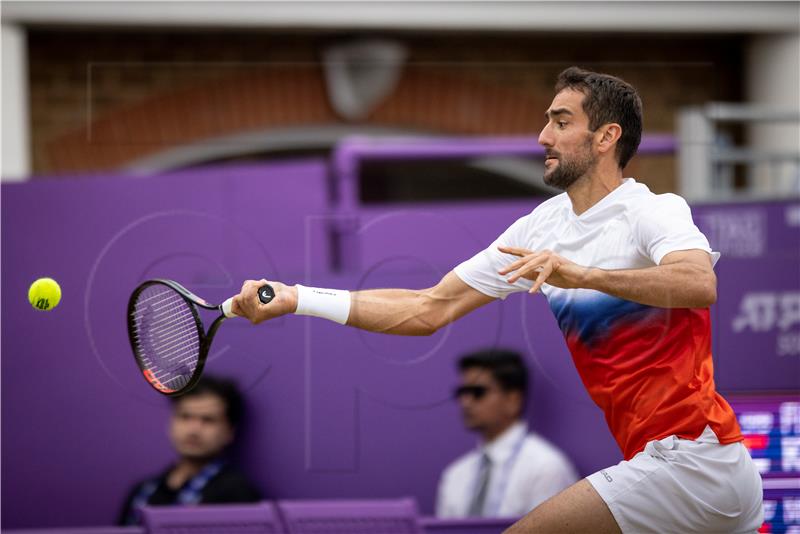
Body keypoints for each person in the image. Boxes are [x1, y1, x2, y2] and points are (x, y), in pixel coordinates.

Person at [231, 67, 763, 533]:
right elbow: (427, 308)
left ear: (606, 137)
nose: (541, 136)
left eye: (560, 122)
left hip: (695, 461)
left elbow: (698, 282)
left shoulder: (653, 210)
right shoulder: (539, 228)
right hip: (677, 473)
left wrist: (582, 274)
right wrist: (299, 298)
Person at [436, 349, 578, 518]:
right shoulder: (455, 475)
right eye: (462, 393)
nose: (465, 402)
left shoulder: (546, 468)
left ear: (513, 400)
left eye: (478, 392)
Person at [119, 376, 261, 525]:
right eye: (185, 417)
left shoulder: (238, 494)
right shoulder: (143, 491)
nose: (193, 430)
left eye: (208, 420)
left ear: (229, 432)